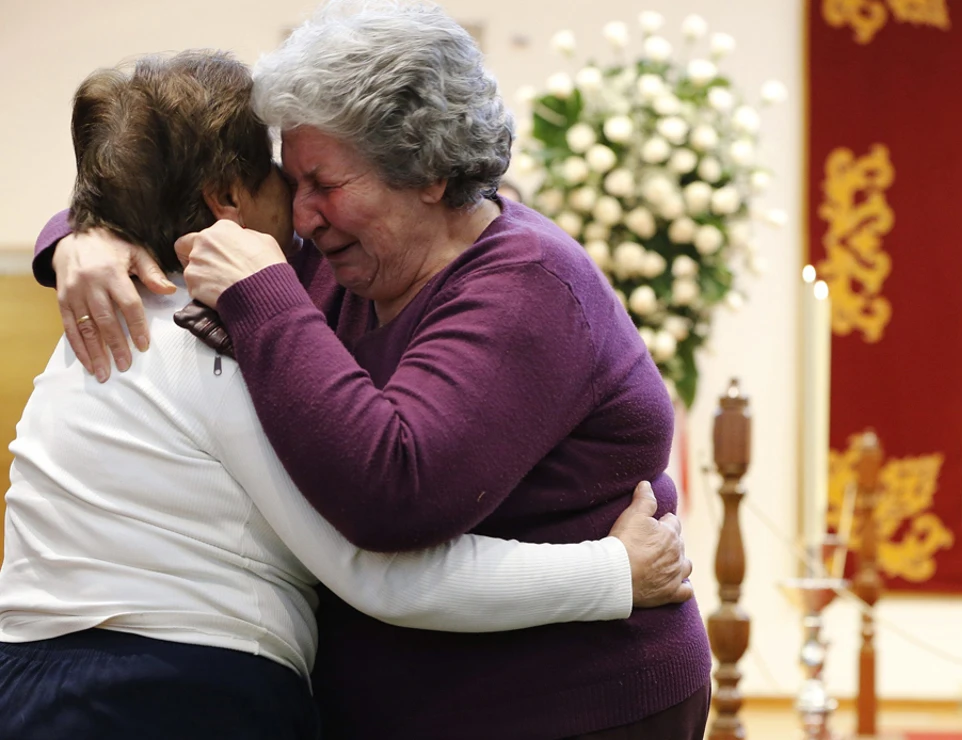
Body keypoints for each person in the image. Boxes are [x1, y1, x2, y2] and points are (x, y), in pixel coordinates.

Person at [33, 3, 713, 739]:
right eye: (291, 182)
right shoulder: (337, 255)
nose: (302, 213)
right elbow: (170, 188)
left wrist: (264, 299)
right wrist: (84, 236)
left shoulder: (527, 286)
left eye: (323, 182)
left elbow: (395, 498)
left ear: (426, 172)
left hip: (563, 708)